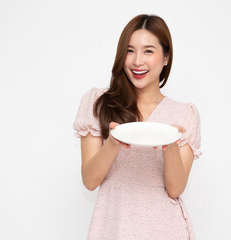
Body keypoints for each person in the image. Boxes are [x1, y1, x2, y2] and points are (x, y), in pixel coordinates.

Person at [73, 14, 202, 240]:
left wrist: (170, 143)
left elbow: (175, 189)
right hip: (113, 226)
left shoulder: (184, 114)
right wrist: (113, 142)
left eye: (148, 51)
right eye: (130, 50)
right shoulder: (99, 103)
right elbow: (90, 181)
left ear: (165, 58)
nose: (137, 61)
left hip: (165, 229)